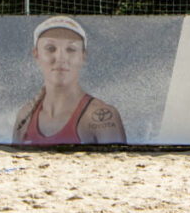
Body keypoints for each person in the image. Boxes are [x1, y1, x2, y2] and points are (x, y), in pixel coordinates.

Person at [13, 16, 125, 145]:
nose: (60, 58)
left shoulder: (100, 117)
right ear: (36, 54)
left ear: (83, 56)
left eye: (70, 49)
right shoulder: (25, 117)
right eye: (50, 48)